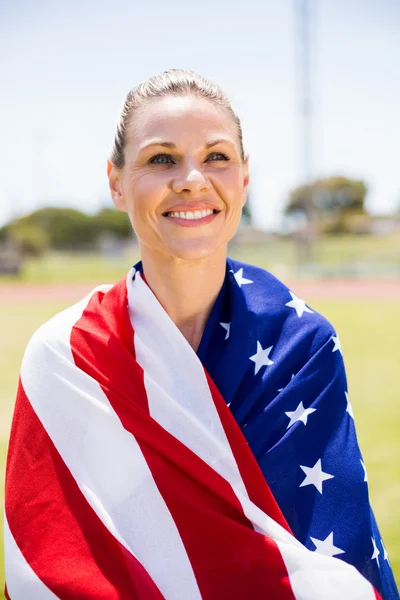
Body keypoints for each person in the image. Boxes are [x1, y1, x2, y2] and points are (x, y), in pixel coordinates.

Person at [4, 69, 398, 600]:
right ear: (116, 182)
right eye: (161, 158)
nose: (192, 178)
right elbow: (53, 557)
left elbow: (332, 559)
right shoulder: (65, 357)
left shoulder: (303, 347)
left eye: (217, 157)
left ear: (244, 178)